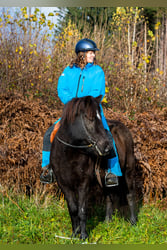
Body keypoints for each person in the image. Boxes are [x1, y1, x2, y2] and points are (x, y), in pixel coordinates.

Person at [40, 38, 122, 187]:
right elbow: (61, 89)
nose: (93, 56)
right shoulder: (68, 70)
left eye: (93, 53)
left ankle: (112, 171)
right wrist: (73, 104)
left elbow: (98, 92)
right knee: (49, 134)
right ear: (81, 54)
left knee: (108, 136)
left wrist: (83, 105)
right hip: (71, 111)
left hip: (92, 111)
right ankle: (48, 169)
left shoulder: (98, 71)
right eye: (90, 53)